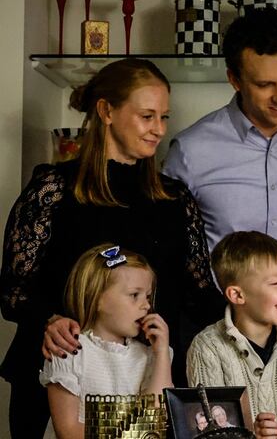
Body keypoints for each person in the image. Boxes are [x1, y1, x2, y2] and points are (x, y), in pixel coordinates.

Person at [0, 58, 221, 438]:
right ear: (106, 111)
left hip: (147, 387)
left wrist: (262, 316)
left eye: (164, 118)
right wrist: (47, 321)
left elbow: (200, 296)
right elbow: (13, 290)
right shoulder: (53, 190)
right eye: (147, 116)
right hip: (62, 381)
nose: (159, 130)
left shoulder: (175, 199)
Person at [163, 8, 277, 317]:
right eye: (263, 85)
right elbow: (167, 250)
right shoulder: (190, 151)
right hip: (216, 333)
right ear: (234, 79)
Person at [187, 231, 277, 439]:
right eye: (276, 283)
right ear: (237, 295)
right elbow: (208, 432)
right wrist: (250, 435)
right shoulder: (207, 348)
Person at [39, 245, 172, 439]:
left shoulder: (150, 356)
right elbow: (68, 432)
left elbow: (157, 421)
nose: (146, 305)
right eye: (135, 295)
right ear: (97, 296)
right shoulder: (69, 350)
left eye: (148, 296)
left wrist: (162, 355)